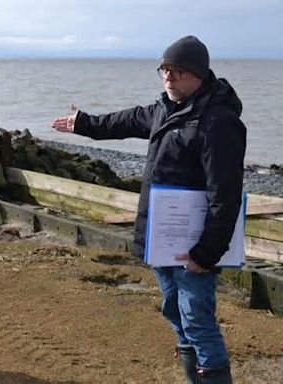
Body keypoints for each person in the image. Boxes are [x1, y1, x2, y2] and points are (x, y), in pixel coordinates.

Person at [52, 36, 245, 383]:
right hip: (163, 238)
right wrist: (83, 123)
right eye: (164, 70)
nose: (168, 77)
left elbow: (225, 196)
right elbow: (122, 122)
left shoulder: (219, 122)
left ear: (198, 75)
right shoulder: (164, 110)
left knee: (197, 319)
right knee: (173, 309)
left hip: (196, 245)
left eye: (178, 71)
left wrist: (206, 252)